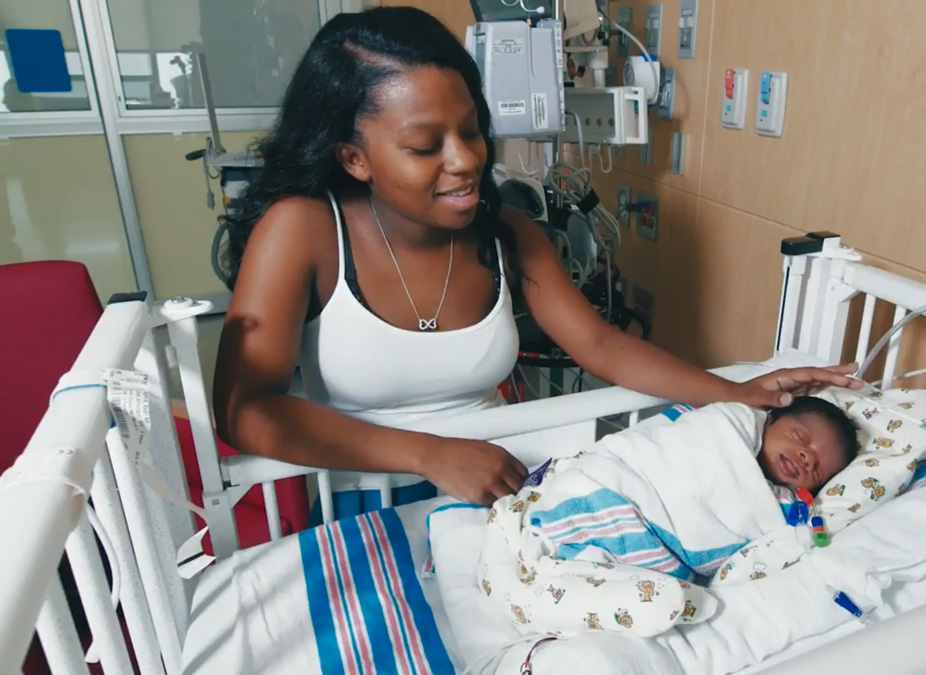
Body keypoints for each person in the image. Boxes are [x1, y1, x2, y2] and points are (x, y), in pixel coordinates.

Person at [211, 7, 862, 518]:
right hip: (366, 495)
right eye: (423, 145)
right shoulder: (303, 230)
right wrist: (430, 455)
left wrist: (737, 391)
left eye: (470, 130)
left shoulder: (508, 236)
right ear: (354, 158)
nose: (466, 160)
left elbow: (601, 344)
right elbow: (243, 408)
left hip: (504, 477)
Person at [476, 396, 860, 636]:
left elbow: (749, 545)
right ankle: (554, 567)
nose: (806, 456)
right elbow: (665, 457)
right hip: (610, 490)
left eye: (818, 468)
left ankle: (563, 583)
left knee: (656, 598)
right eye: (800, 436)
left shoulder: (783, 510)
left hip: (644, 553)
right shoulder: (728, 424)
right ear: (771, 418)